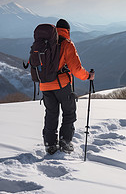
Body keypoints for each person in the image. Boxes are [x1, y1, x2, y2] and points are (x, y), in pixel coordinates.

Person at [40, 19, 95, 155]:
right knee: (69, 112)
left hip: (44, 85)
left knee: (51, 114)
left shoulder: (43, 44)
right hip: (62, 85)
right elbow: (76, 70)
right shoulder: (66, 44)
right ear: (68, 31)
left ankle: (50, 144)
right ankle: (65, 142)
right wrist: (88, 76)